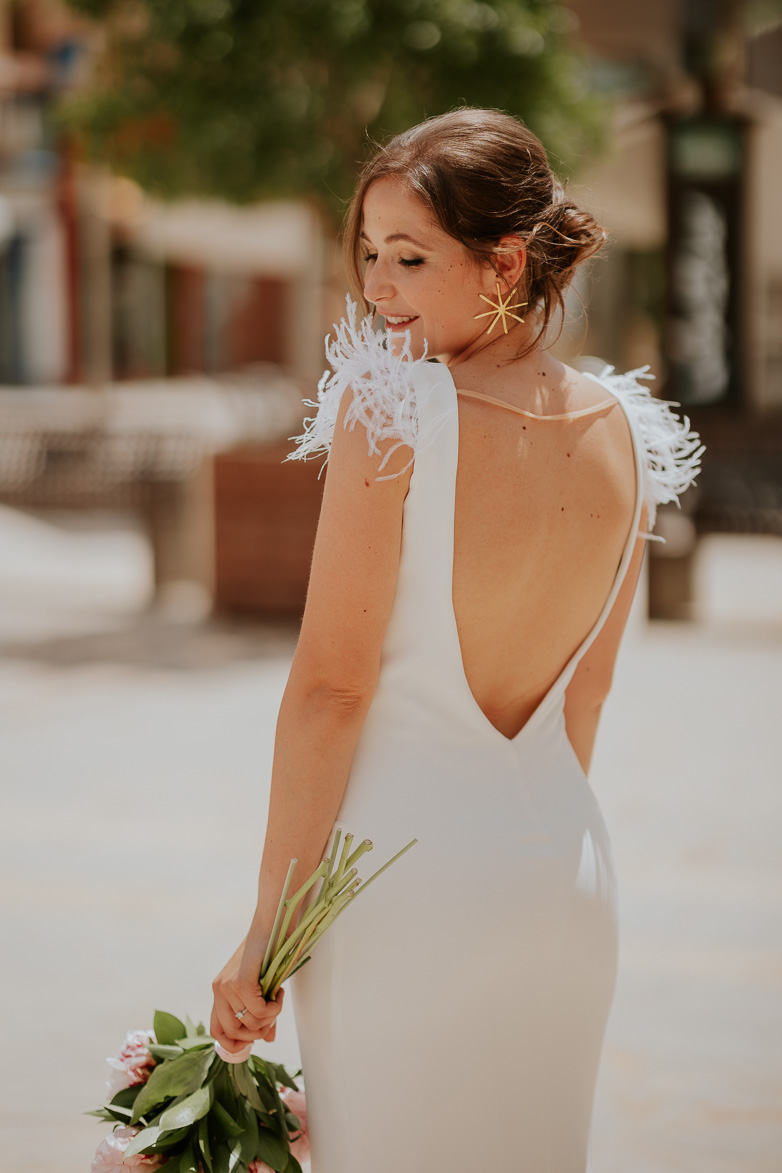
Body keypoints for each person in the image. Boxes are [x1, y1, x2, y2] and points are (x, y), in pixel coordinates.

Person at [210, 108, 703, 1171]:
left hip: (400, 891)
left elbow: (331, 690)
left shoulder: (389, 410)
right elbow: (586, 699)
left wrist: (265, 929)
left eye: (409, 258)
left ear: (505, 261)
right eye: (368, 256)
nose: (376, 289)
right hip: (561, 885)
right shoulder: (621, 426)